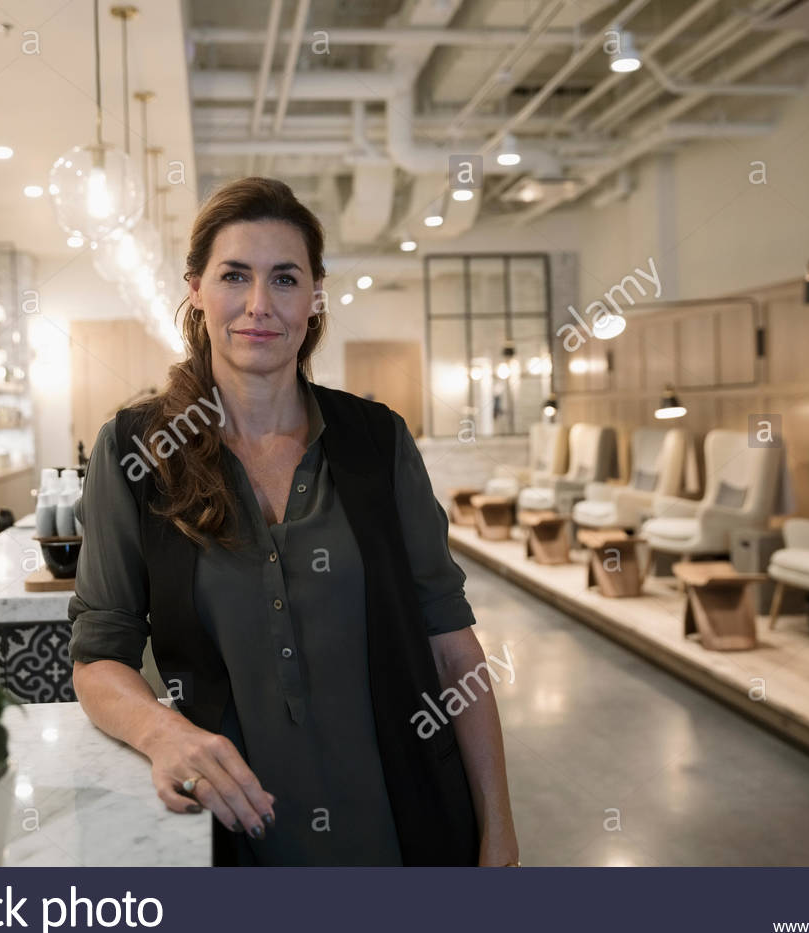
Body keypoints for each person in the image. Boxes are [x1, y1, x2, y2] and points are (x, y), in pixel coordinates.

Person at [68, 176, 520, 866]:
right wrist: (161, 733)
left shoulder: (378, 441)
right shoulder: (136, 451)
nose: (259, 305)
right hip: (235, 840)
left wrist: (500, 829)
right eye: (234, 276)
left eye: (284, 278)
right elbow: (100, 654)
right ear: (196, 289)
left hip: (410, 828)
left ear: (313, 298)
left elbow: (452, 647)